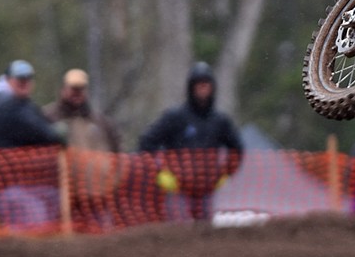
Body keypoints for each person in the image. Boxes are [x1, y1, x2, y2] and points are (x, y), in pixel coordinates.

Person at [138, 62, 243, 222]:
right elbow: (146, 143)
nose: (202, 88)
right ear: (191, 87)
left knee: (205, 238)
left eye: (206, 84)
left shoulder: (220, 121)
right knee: (179, 237)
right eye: (198, 84)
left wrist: (224, 174)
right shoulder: (175, 117)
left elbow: (237, 150)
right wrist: (160, 173)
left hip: (207, 192)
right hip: (178, 191)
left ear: (212, 87)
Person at [0, 59, 65, 230]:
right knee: (31, 233)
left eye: (28, 79)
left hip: (23, 184)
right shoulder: (7, 104)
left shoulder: (14, 103)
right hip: (11, 185)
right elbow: (39, 130)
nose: (24, 83)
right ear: (7, 80)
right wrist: (55, 133)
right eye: (19, 79)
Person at [43, 68, 122, 231]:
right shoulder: (48, 117)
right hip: (64, 194)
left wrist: (114, 180)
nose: (77, 93)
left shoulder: (100, 121)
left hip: (98, 194)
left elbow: (118, 150)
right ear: (63, 89)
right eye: (73, 89)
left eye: (81, 89)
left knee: (103, 236)